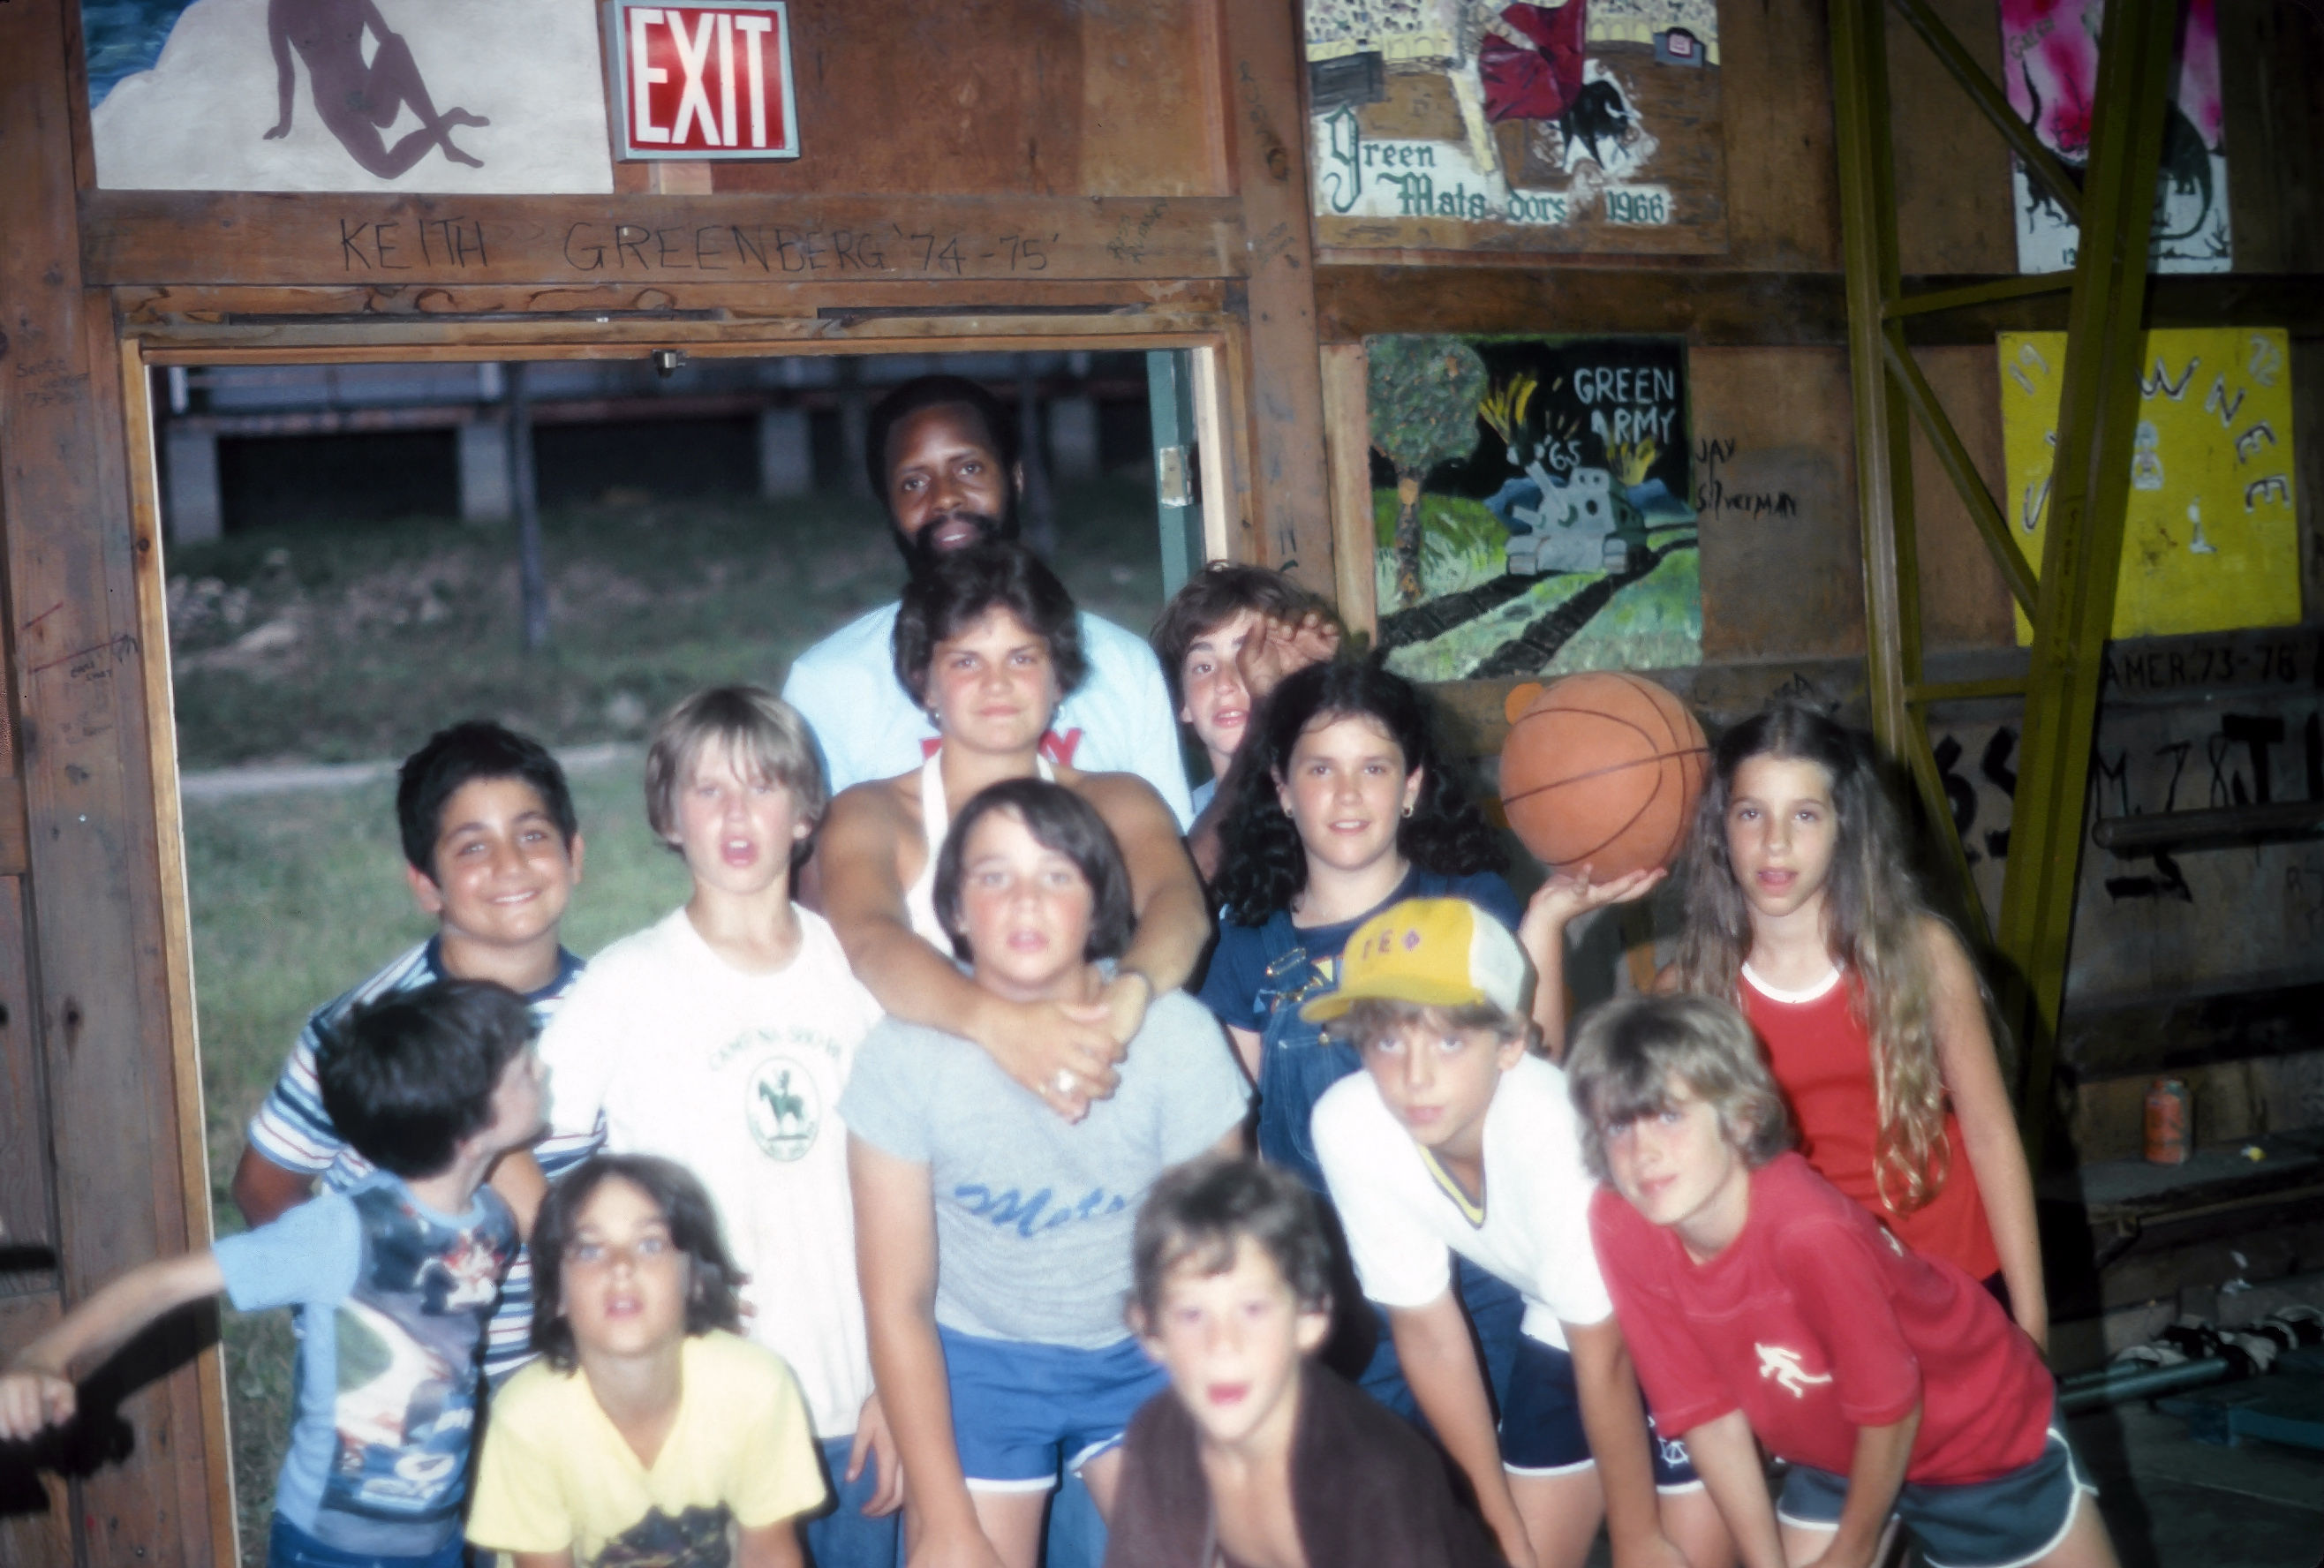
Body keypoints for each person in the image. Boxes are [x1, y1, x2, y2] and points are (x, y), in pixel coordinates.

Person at [842, 779, 1249, 1568]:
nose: (1024, 902)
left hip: (1144, 1346)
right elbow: (897, 1300)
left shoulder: (1175, 1039)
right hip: (981, 1356)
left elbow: (1221, 1271)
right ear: (955, 910)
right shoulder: (903, 1057)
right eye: (993, 876)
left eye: (1056, 874)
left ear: (1099, 904)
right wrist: (947, 1521)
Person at [534, 688, 899, 1565]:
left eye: (763, 787)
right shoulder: (625, 983)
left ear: (804, 814)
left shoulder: (859, 971)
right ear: (669, 816)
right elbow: (525, 1161)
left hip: (855, 1401)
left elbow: (914, 1191)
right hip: (697, 1403)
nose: (737, 815)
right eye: (709, 791)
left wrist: (899, 1386)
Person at [2, 981, 543, 1568]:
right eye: (524, 1069)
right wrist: (44, 1356)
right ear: (469, 1125)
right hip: (333, 1548)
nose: (542, 1070)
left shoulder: (491, 1219)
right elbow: (165, 1283)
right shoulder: (344, 1233)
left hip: (437, 1534)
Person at [1568, 994, 2118, 1568]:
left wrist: (1852, 1551)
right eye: (1618, 1124)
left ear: (1742, 1117)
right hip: (1839, 1453)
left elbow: (1892, 1406)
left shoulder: (1808, 1230)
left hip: (1974, 1435)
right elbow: (1708, 1416)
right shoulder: (1623, 1224)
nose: (1643, 1153)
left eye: (1669, 1116)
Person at [1305, 898, 1729, 1568]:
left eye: (1449, 1040)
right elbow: (1429, 1333)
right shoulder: (1350, 1124)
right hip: (1568, 1316)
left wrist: (1638, 1536)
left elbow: (1608, 1356)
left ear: (1509, 1043)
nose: (1415, 1076)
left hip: (1691, 1312)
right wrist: (1497, 1523)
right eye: (1387, 1040)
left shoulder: (1549, 1127)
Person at [1197, 660, 1524, 1418]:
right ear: (1282, 789)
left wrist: (1547, 925)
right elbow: (1233, 1148)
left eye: (1374, 768)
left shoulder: (1472, 905)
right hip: (1330, 1299)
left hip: (1478, 1276)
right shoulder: (1245, 947)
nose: (1347, 794)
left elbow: (1530, 1074)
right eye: (1321, 769)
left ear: (1411, 786)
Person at [1660, 703, 2041, 1345]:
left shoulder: (1921, 955)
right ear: (1720, 827)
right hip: (1808, 1297)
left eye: (1805, 815)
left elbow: (1991, 1134)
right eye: (1751, 813)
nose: (1775, 841)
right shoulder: (1688, 991)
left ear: (1845, 827)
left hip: (1953, 1278)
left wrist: (2032, 1325)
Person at [233, 719, 596, 1387]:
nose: (510, 865)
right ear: (427, 885)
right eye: (473, 847)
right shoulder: (361, 1030)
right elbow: (264, 1186)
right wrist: (351, 1313)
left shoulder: (622, 1003)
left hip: (577, 1378)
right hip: (412, 1390)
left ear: (574, 854)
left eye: (532, 835)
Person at [817, 542, 1210, 1121]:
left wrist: (1131, 993)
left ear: (1059, 679)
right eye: (966, 662)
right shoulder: (872, 813)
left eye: (1022, 658)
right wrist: (1003, 1029)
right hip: (930, 1112)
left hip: (1094, 1084)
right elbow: (871, 941)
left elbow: (1180, 905)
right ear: (925, 683)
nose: (997, 684)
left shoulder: (1117, 799)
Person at [782, 373, 1192, 826]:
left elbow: (1168, 849)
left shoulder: (1122, 664)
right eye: (913, 483)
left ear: (1016, 479)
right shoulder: (829, 683)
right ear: (889, 508)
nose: (945, 498)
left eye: (970, 469)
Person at [1105, 1154, 1503, 1568]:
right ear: (1149, 1329)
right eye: (1191, 1315)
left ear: (1309, 1319)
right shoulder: (1159, 1437)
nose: (1222, 1344)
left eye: (1253, 1309)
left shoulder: (1372, 1477)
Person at [466, 1154, 829, 1568]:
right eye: (590, 1250)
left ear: (695, 1279)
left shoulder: (756, 1387)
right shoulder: (527, 1417)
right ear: (557, 1294)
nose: (621, 1267)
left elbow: (768, 1555)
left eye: (651, 1244)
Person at [1148, 563, 1341, 879]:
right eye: (1203, 667)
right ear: (1182, 704)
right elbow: (1189, 889)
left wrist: (1313, 688)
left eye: (1247, 659)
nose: (1225, 683)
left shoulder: (1335, 798)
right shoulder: (1168, 823)